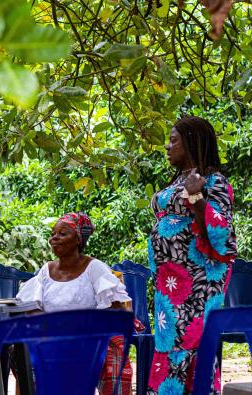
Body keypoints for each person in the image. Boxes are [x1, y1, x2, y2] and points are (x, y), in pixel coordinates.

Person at [147, 116, 236, 395]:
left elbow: (222, 236)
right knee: (168, 350)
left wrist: (197, 197)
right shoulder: (176, 180)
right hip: (168, 290)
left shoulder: (214, 181)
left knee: (193, 350)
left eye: (174, 140)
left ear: (192, 142)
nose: (167, 146)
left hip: (197, 287)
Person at [16, 212, 134, 395]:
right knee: (19, 349)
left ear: (78, 239)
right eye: (53, 234)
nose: (55, 238)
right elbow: (32, 307)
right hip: (53, 336)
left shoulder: (94, 268)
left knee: (110, 352)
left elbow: (116, 309)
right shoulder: (46, 271)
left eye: (63, 233)